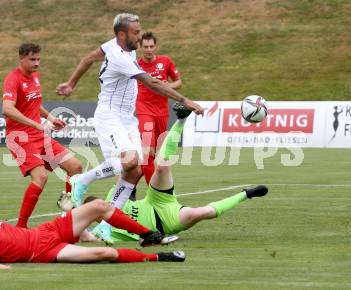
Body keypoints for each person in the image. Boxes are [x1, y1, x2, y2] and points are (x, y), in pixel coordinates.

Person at [56, 13, 204, 244]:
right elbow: (153, 82)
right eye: (136, 32)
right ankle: (81, 180)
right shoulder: (118, 56)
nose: (139, 35)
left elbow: (87, 59)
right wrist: (186, 101)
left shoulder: (119, 46)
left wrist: (71, 84)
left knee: (134, 171)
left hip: (127, 119)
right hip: (109, 116)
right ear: (122, 34)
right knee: (129, 162)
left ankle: (105, 226)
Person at [76, 103, 269, 242]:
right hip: (167, 222)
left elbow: (128, 185)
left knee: (162, 166)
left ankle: (181, 120)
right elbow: (86, 238)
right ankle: (246, 194)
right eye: (95, 212)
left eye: (98, 205)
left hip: (156, 201)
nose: (101, 209)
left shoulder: (111, 199)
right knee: (202, 213)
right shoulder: (104, 231)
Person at [0, 189, 184, 269]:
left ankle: (148, 236)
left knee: (100, 206)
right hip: (45, 253)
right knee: (107, 254)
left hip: (47, 231)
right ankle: (159, 257)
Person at [2, 43, 83, 228]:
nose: (36, 63)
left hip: (38, 134)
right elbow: (7, 109)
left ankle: (68, 219)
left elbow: (33, 104)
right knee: (41, 177)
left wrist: (51, 118)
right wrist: (37, 124)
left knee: (75, 167)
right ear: (21, 58)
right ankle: (21, 228)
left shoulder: (35, 77)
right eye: (32, 59)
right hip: (20, 137)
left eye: (38, 59)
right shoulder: (13, 79)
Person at [137, 32, 182, 185]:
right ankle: (152, 191)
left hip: (162, 112)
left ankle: (131, 185)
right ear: (140, 47)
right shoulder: (136, 65)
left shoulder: (165, 61)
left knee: (155, 154)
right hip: (144, 110)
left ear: (155, 46)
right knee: (147, 150)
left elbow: (178, 82)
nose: (148, 50)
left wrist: (167, 85)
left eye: (151, 46)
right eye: (145, 47)